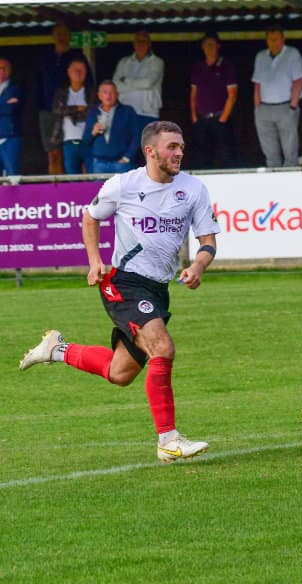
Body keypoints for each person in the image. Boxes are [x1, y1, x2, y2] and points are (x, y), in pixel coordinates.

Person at [19, 121, 220, 463]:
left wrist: (198, 266)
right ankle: (168, 441)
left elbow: (208, 241)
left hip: (157, 289)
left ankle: (56, 349)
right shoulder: (123, 185)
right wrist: (94, 261)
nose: (179, 153)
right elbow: (90, 217)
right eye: (172, 147)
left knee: (120, 373)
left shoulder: (194, 189)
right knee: (162, 347)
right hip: (124, 282)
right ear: (150, 151)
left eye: (181, 147)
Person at [36, 22, 92, 175]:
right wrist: (42, 107)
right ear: (53, 36)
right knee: (54, 154)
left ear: (70, 36)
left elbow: (89, 83)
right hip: (49, 111)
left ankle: (82, 187)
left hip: (75, 114)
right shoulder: (46, 57)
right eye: (58, 34)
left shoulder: (77, 56)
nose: (61, 37)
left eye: (64, 33)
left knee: (79, 153)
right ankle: (57, 187)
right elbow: (38, 83)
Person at [252, 27, 302, 167]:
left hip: (285, 107)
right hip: (264, 108)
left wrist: (292, 107)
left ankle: (290, 178)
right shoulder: (261, 56)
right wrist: (257, 107)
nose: (273, 42)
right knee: (270, 153)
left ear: (283, 39)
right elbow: (257, 84)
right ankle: (273, 178)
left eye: (276, 39)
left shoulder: (292, 54)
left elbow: (298, 81)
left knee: (290, 152)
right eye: (270, 39)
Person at [190, 31, 238, 169]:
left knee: (225, 155)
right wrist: (194, 117)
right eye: (206, 44)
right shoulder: (198, 67)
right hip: (202, 119)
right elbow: (193, 94)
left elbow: (232, 94)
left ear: (218, 46)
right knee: (202, 156)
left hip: (220, 118)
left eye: (212, 44)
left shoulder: (226, 65)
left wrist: (223, 118)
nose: (209, 47)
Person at [50, 57, 96, 175]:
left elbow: (92, 112)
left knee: (92, 175)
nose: (78, 72)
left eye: (81, 70)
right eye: (75, 70)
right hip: (68, 142)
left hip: (89, 141)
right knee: (72, 176)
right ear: (68, 72)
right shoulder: (61, 93)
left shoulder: (92, 92)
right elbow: (57, 111)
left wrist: (69, 112)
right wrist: (77, 108)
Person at [83, 81, 140, 174]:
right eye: (105, 92)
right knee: (99, 185)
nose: (108, 96)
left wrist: (127, 157)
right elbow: (85, 140)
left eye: (111, 92)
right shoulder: (93, 112)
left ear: (117, 94)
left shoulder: (127, 111)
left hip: (122, 164)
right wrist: (93, 132)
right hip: (99, 164)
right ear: (99, 95)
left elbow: (137, 136)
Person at [112, 30, 164, 133]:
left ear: (149, 44)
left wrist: (125, 80)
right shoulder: (124, 62)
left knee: (146, 143)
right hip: (125, 112)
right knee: (126, 143)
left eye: (143, 41)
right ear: (133, 44)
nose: (140, 44)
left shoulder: (157, 62)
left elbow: (148, 83)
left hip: (148, 113)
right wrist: (140, 83)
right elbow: (115, 86)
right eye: (138, 41)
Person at [0, 57, 23, 176]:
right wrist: (4, 103)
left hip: (10, 137)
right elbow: (6, 107)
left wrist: (7, 106)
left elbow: (10, 109)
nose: (1, 71)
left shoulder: (15, 88)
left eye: (5, 68)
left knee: (12, 175)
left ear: (10, 70)